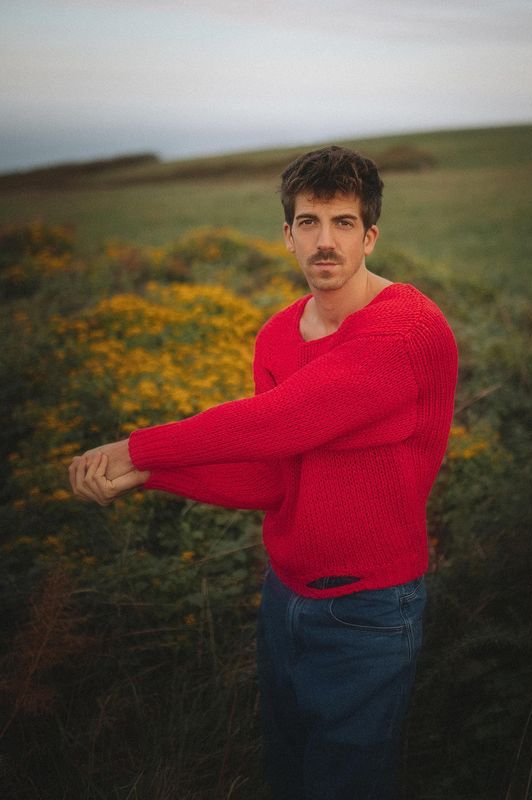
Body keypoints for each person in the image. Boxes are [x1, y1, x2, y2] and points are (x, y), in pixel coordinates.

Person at [69, 145, 458, 800]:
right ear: (287, 235)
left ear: (369, 236)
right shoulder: (277, 335)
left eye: (342, 222)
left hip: (368, 610)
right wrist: (151, 476)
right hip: (284, 599)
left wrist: (138, 450)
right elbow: (270, 477)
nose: (325, 241)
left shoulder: (406, 331)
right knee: (287, 775)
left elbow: (282, 421)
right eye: (309, 222)